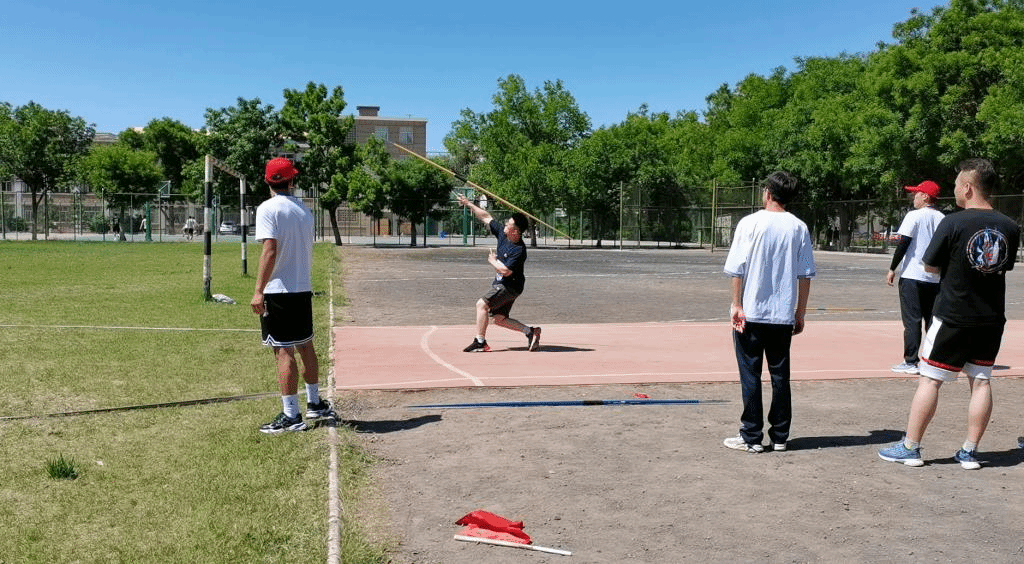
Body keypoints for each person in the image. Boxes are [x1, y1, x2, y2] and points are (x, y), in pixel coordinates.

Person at [879, 158, 1019, 469]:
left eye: (956, 184)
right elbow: (1000, 266)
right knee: (981, 381)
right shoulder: (1010, 226)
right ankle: (970, 451)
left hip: (953, 314)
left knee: (930, 380)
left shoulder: (953, 222)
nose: (954, 190)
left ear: (968, 188)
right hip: (991, 318)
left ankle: (911, 447)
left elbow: (930, 265)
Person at [722, 171, 815, 453]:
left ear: (768, 193)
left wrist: (737, 305)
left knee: (750, 373)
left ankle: (751, 436)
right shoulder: (799, 227)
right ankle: (780, 436)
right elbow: (805, 275)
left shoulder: (750, 223)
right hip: (782, 315)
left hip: (752, 313)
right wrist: (800, 312)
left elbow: (737, 269)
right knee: (780, 376)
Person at [251, 157, 334, 434]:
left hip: (279, 291)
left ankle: (291, 416)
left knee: (283, 350)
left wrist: (258, 290)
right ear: (292, 180)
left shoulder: (267, 208)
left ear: (267, 180)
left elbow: (270, 250)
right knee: (306, 345)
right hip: (302, 288)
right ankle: (314, 402)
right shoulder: (303, 210)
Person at [456, 193, 541, 353]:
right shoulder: (503, 233)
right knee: (499, 319)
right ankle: (530, 332)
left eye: (509, 224)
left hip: (510, 285)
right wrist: (468, 204)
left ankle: (480, 342)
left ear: (515, 232)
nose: (505, 225)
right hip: (506, 284)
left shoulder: (519, 250)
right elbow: (485, 216)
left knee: (481, 305)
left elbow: (506, 271)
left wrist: (493, 261)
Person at [886, 180, 944, 374]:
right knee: (932, 321)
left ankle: (911, 361)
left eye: (917, 194)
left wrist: (892, 268)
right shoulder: (942, 218)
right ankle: (934, 359)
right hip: (934, 277)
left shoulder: (914, 216)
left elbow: (903, 243)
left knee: (912, 320)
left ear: (925, 197)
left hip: (912, 275)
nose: (914, 197)